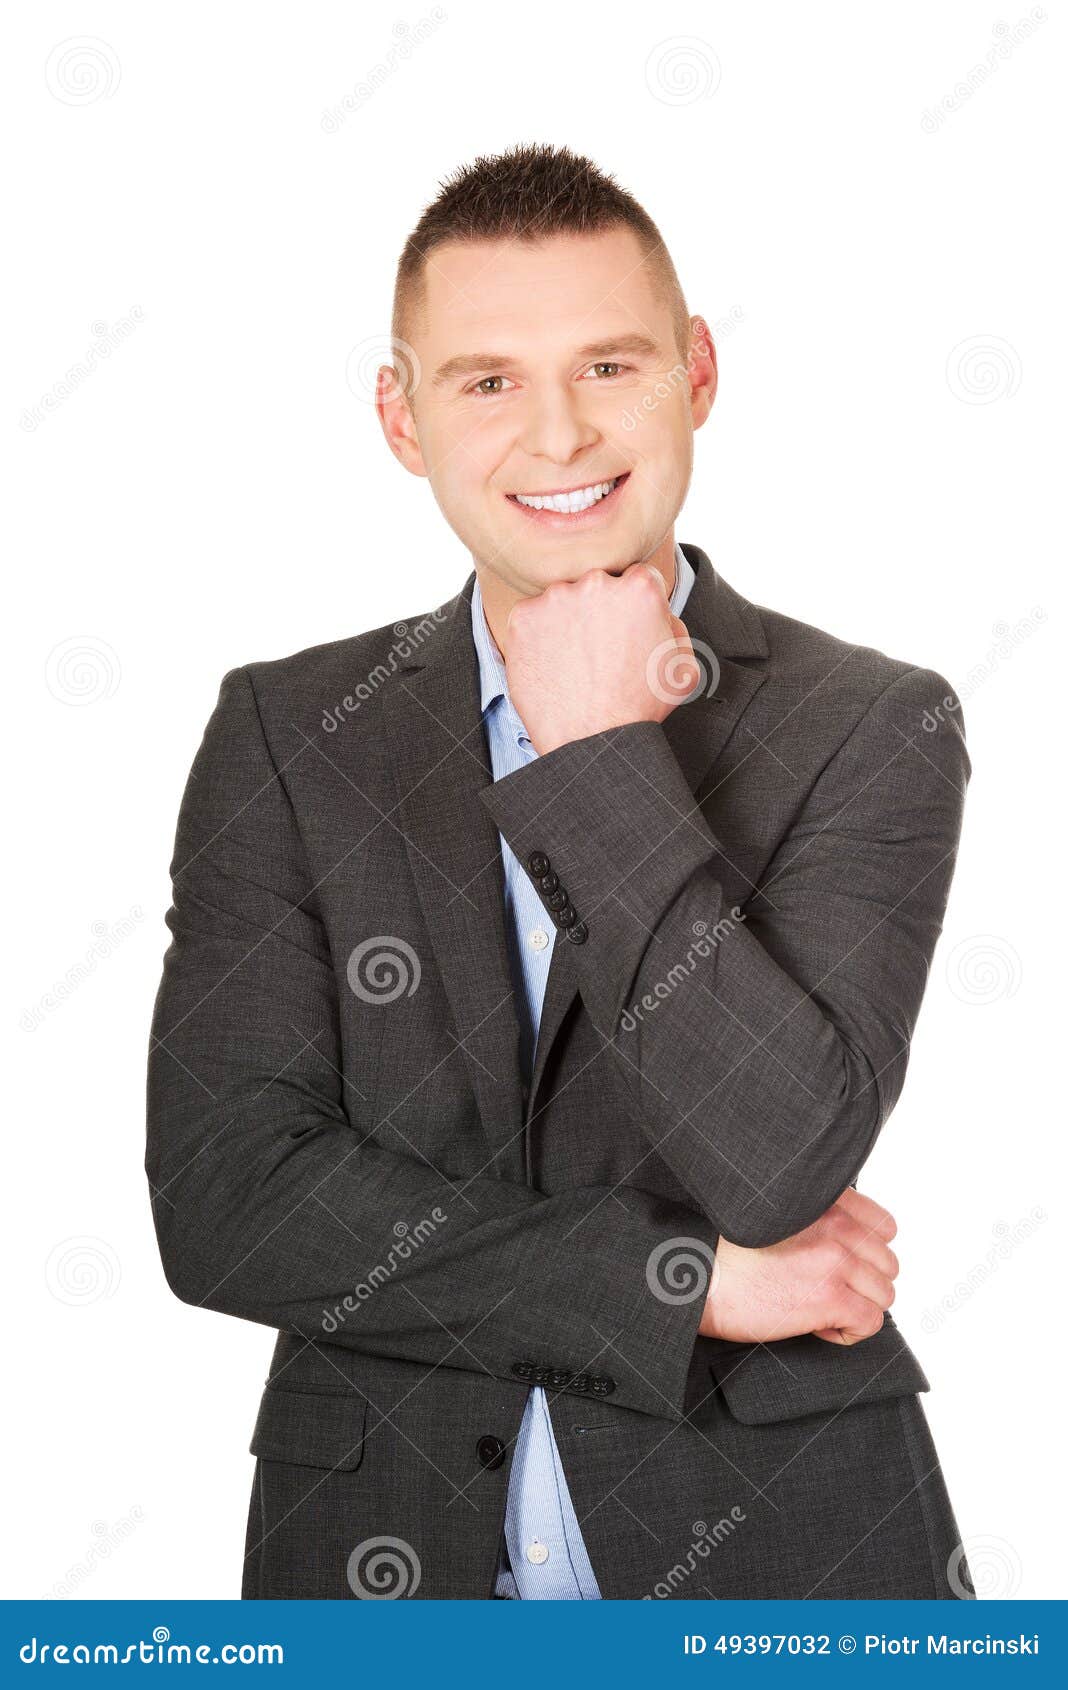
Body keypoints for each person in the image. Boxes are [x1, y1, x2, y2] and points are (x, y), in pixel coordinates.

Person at [146, 143, 973, 1600]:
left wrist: (596, 756)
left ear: (695, 373)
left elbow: (780, 1159)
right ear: (402, 418)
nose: (560, 433)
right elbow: (233, 1201)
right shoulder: (290, 731)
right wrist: (681, 1284)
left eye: (608, 365)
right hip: (378, 1547)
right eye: (488, 381)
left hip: (779, 1551)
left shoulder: (871, 724)